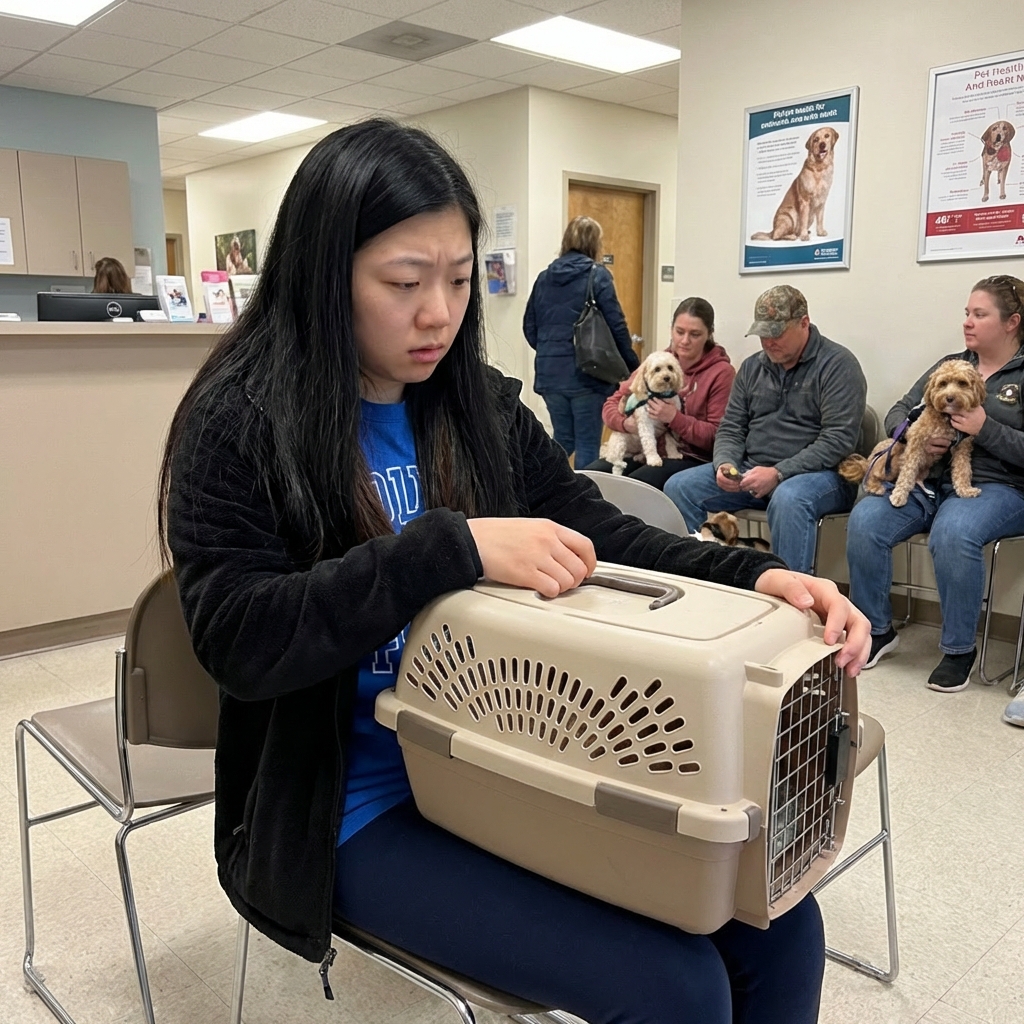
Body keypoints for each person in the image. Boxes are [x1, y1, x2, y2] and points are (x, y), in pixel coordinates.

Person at [159, 119, 869, 1024]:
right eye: (403, 283)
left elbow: (600, 530)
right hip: (354, 802)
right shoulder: (241, 423)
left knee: (781, 926)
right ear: (319, 274)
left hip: (515, 765)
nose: (438, 314)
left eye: (457, 282)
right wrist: (449, 547)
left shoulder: (476, 409)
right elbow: (240, 638)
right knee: (672, 988)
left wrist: (752, 576)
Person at [847, 275, 1024, 697]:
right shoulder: (950, 363)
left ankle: (959, 649)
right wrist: (911, 436)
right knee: (866, 520)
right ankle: (877, 629)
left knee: (954, 531)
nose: (967, 322)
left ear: (1012, 322)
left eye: (979, 315)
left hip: (998, 488)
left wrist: (986, 428)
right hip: (929, 479)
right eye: (967, 313)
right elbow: (898, 412)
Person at [664, 285, 867, 573]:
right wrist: (725, 463)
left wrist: (779, 472)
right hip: (752, 469)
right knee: (679, 487)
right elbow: (732, 427)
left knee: (789, 498)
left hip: (822, 475)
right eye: (763, 334)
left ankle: (789, 597)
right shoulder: (751, 368)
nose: (769, 342)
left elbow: (838, 440)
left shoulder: (838, 365)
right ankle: (704, 577)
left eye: (777, 334)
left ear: (804, 323)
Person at [523, 216, 639, 468]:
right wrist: (632, 366)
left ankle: (537, 490)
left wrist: (551, 351)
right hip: (588, 374)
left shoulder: (544, 278)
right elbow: (616, 325)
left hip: (549, 376)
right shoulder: (597, 275)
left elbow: (529, 327)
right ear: (594, 243)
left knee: (563, 439)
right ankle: (585, 506)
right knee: (587, 443)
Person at [584, 296, 735, 489]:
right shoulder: (659, 360)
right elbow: (611, 404)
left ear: (709, 334)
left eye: (695, 334)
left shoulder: (721, 373)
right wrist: (626, 424)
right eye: (679, 332)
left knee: (637, 486)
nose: (685, 341)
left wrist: (674, 418)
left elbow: (717, 436)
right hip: (644, 448)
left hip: (691, 456)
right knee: (592, 479)